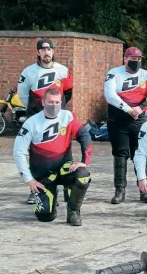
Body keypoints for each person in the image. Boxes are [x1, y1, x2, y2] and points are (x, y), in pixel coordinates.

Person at [13, 88, 92, 226]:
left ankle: (73, 210)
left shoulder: (68, 117)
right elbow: (19, 151)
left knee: (83, 175)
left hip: (64, 169)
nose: (54, 105)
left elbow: (85, 136)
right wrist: (29, 180)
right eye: (50, 102)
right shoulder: (31, 123)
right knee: (45, 217)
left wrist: (84, 162)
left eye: (57, 102)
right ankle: (51, 197)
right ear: (43, 102)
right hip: (42, 175)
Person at [17, 38, 74, 205]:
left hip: (59, 117)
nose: (46, 52)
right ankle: (36, 188)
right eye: (43, 49)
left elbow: (68, 92)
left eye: (49, 49)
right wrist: (36, 109)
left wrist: (58, 107)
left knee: (63, 150)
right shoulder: (28, 72)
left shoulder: (63, 71)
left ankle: (66, 188)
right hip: (36, 116)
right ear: (38, 52)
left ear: (53, 51)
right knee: (37, 154)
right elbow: (22, 96)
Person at [104, 46, 147, 204]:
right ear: (125, 59)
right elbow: (110, 95)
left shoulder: (146, 75)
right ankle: (119, 190)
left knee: (140, 154)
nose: (136, 62)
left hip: (138, 120)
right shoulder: (114, 73)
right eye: (132, 59)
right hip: (118, 120)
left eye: (138, 59)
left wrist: (141, 108)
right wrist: (129, 110)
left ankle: (144, 190)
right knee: (120, 154)